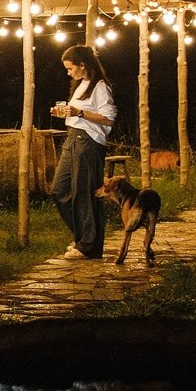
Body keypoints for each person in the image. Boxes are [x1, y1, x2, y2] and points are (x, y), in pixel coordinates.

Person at [50, 44, 117, 260]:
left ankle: (88, 246)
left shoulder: (100, 87)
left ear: (83, 65)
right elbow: (78, 114)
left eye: (71, 68)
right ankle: (84, 238)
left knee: (84, 193)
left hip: (89, 142)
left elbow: (108, 118)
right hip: (72, 138)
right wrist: (66, 113)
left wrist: (79, 112)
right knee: (59, 190)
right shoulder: (81, 85)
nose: (68, 73)